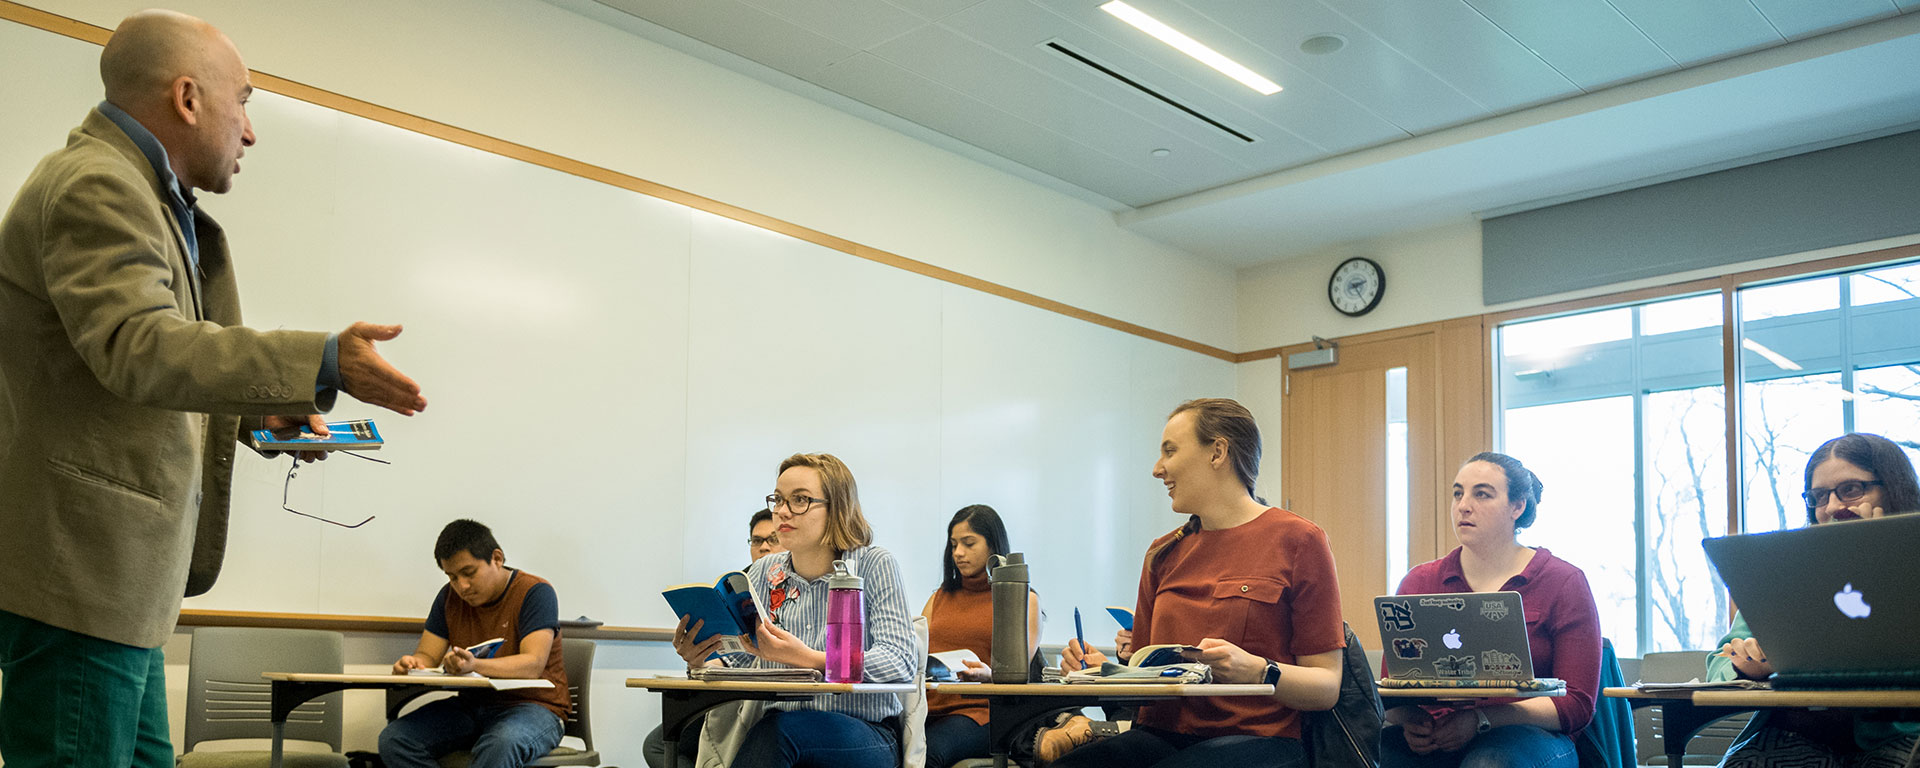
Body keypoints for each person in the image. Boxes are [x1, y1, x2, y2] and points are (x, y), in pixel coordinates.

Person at [0, 10, 426, 766]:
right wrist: (323, 359)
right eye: (247, 102)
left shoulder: (142, 194)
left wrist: (258, 414)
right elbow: (139, 347)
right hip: (82, 582)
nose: (250, 131)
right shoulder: (98, 184)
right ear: (189, 98)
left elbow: (121, 378)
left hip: (115, 593)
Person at [1055, 398, 1344, 768]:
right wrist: (1098, 673)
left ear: (1218, 452)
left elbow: (1326, 686)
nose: (1158, 469)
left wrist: (1259, 670)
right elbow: (1142, 679)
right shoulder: (1162, 553)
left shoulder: (1300, 540)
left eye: (1170, 451)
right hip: (1160, 735)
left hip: (1258, 741)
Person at [670, 453, 915, 767]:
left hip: (866, 733)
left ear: (837, 507)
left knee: (778, 733)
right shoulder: (763, 573)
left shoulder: (874, 564)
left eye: (800, 500)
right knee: (772, 731)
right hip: (779, 730)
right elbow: (742, 659)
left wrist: (808, 659)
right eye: (778, 500)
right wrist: (702, 659)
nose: (783, 511)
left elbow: (900, 661)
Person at [1707, 433, 1920, 768]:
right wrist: (1743, 663)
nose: (1833, 507)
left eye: (1851, 489)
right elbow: (1717, 664)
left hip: (1897, 737)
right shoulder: (1785, 569)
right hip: (1792, 737)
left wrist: (1879, 557)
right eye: (1819, 496)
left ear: (1893, 488)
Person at [1382, 452, 1601, 768]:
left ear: (1517, 506)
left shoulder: (1564, 581)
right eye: (1458, 493)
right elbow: (1393, 689)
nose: (1463, 505)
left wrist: (1480, 720)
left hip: (1532, 736)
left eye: (1481, 494)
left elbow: (1577, 704)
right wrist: (1412, 721)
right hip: (1436, 735)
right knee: (1367, 755)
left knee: (1490, 763)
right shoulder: (1420, 581)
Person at [380, 520, 569, 768]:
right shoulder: (448, 597)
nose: (462, 586)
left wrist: (474, 665)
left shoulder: (535, 592)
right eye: (452, 577)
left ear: (497, 558)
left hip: (535, 708)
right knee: (396, 739)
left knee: (500, 743)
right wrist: (413, 664)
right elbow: (428, 654)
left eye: (469, 573)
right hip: (472, 707)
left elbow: (532, 663)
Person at [643, 508, 788, 768]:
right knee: (657, 744)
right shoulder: (737, 586)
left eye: (772, 539)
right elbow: (730, 657)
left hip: (770, 697)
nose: (764, 548)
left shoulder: (791, 588)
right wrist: (699, 662)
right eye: (757, 541)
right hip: (729, 694)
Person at [921, 504, 1042, 768]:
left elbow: (1019, 674)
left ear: (993, 545)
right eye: (953, 545)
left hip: (982, 713)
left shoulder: (1021, 599)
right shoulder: (938, 597)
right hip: (927, 708)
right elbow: (916, 653)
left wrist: (990, 674)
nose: (958, 553)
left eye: (968, 543)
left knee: (927, 754)